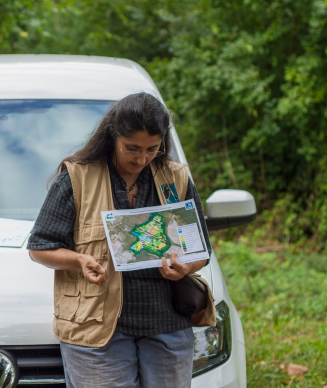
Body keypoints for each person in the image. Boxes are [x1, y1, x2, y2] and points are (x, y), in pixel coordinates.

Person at [28, 92, 212, 388]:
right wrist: (80, 260)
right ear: (113, 134)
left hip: (167, 325)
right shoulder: (77, 178)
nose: (141, 159)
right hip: (96, 326)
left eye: (152, 149)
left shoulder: (176, 178)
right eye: (132, 148)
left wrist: (186, 269)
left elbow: (201, 250)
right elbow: (39, 247)